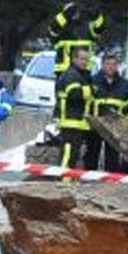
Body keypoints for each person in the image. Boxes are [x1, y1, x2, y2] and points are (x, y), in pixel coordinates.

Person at [91, 51, 128, 171]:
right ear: (102, 65)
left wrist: (126, 123)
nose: (110, 67)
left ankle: (111, 178)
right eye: (107, 64)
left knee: (113, 154)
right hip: (96, 124)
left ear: (117, 66)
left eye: (113, 64)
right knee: (92, 152)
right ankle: (89, 176)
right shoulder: (92, 81)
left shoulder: (125, 85)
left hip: (115, 126)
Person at [54, 42, 97, 170]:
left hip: (77, 121)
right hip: (70, 121)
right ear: (74, 59)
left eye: (86, 59)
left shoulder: (81, 75)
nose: (84, 62)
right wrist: (91, 90)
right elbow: (74, 93)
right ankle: (64, 179)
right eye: (82, 59)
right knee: (69, 152)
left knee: (74, 153)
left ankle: (67, 178)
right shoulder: (71, 75)